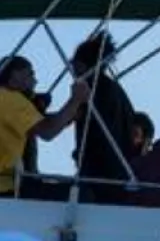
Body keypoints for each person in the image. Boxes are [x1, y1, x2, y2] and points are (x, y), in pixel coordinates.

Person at [0, 56, 91, 197]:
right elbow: (48, 131)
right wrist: (76, 99)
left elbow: (41, 123)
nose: (35, 81)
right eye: (30, 74)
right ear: (15, 75)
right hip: (7, 189)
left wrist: (71, 113)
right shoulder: (11, 99)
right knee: (83, 194)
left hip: (10, 185)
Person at [69, 32, 139, 202]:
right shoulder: (116, 90)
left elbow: (71, 117)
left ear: (83, 64)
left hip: (98, 172)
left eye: (75, 62)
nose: (71, 66)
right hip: (121, 171)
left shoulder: (88, 88)